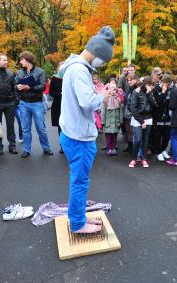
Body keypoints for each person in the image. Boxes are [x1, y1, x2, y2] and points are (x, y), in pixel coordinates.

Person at [59, 26, 114, 234]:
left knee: (79, 181)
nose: (103, 65)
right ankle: (77, 224)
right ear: (98, 54)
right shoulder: (80, 70)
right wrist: (104, 94)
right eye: (104, 60)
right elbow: (87, 102)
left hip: (73, 133)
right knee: (80, 183)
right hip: (79, 137)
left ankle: (78, 218)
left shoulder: (74, 67)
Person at [14, 51, 53, 158]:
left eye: (21, 59)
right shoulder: (19, 72)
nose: (20, 62)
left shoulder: (40, 71)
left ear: (27, 59)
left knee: (41, 128)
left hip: (37, 104)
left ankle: (46, 148)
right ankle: (26, 149)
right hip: (23, 104)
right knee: (25, 129)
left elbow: (43, 87)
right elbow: (15, 85)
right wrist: (17, 87)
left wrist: (29, 87)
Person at [0, 53, 18, 155]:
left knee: (11, 125)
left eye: (6, 60)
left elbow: (14, 87)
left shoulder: (11, 73)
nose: (6, 62)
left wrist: (15, 100)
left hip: (10, 103)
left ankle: (12, 145)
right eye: (4, 60)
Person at [128, 77, 156, 168]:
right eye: (148, 85)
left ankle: (144, 158)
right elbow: (133, 108)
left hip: (148, 118)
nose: (149, 87)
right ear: (144, 84)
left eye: (151, 85)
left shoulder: (151, 92)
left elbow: (155, 106)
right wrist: (141, 121)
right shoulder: (136, 92)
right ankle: (134, 158)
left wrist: (149, 94)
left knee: (145, 139)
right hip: (138, 119)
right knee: (138, 139)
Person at [152, 74, 172, 161]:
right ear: (163, 82)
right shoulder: (155, 89)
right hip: (157, 116)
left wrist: (163, 102)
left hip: (167, 116)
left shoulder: (169, 90)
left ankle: (163, 150)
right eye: (168, 84)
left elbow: (169, 103)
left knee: (167, 135)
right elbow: (158, 103)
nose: (168, 86)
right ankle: (158, 152)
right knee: (157, 135)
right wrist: (163, 93)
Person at [101, 78, 124, 155]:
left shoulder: (118, 99)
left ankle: (113, 148)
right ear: (108, 90)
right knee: (108, 137)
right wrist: (102, 122)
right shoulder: (105, 100)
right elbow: (103, 112)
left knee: (114, 137)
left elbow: (120, 111)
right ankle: (109, 148)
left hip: (116, 122)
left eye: (114, 89)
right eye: (111, 89)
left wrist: (120, 121)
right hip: (108, 122)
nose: (113, 91)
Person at [122, 74, 140, 154]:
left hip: (133, 114)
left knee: (133, 132)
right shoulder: (129, 88)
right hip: (127, 113)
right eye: (128, 80)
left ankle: (134, 148)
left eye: (130, 80)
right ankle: (129, 146)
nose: (129, 82)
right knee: (128, 131)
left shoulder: (138, 89)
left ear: (135, 79)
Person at [49, 62, 64, 153]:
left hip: (69, 106)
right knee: (60, 126)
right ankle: (62, 145)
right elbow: (51, 92)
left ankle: (69, 145)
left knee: (69, 126)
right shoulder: (55, 78)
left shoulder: (70, 77)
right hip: (58, 105)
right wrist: (60, 94)